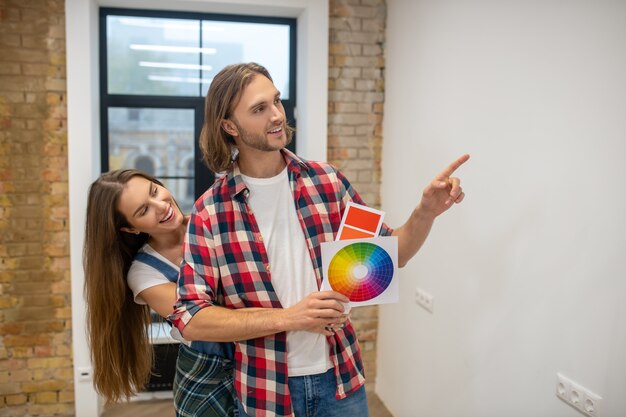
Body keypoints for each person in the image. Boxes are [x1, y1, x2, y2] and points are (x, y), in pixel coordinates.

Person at [170, 62, 469, 417]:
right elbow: (190, 316)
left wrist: (426, 212)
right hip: (264, 391)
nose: (277, 115)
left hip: (341, 382)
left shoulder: (326, 182)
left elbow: (394, 254)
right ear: (230, 126)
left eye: (276, 101)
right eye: (259, 109)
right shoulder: (210, 212)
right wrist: (290, 318)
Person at [83, 169, 236, 416]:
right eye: (143, 210)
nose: (161, 206)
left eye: (155, 192)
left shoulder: (212, 224)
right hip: (206, 376)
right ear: (130, 229)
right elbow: (199, 322)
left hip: (259, 359)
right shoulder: (144, 272)